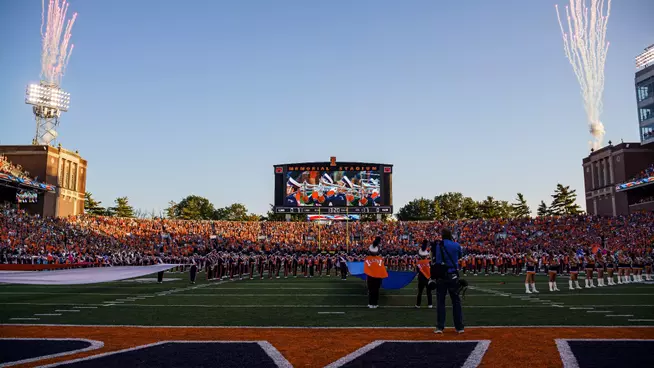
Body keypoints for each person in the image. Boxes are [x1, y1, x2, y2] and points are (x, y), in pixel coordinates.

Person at [432, 228, 464, 334]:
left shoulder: (439, 245)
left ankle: (440, 327)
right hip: (454, 274)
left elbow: (438, 260)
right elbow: (460, 256)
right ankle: (459, 327)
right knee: (456, 301)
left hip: (442, 275)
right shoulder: (456, 245)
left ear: (442, 235)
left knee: (441, 301)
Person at [364, 237, 388, 309]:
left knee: (371, 291)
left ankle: (371, 304)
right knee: (376, 291)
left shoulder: (367, 258)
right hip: (378, 277)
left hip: (371, 277)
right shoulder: (380, 259)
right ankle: (375, 303)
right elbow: (382, 268)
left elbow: (366, 267)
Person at [415, 240, 433, 308]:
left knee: (420, 292)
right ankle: (430, 304)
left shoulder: (418, 262)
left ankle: (418, 305)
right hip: (428, 278)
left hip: (421, 278)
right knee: (429, 292)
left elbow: (417, 270)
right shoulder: (429, 262)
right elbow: (431, 270)